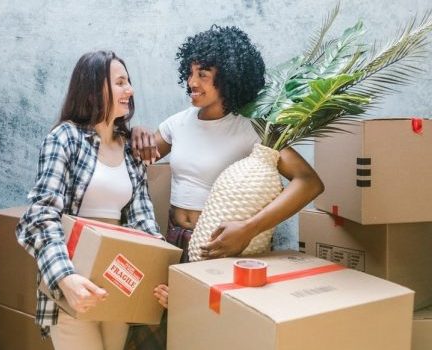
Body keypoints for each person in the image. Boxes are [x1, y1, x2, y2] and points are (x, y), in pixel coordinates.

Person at [126, 25, 325, 349]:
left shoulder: (250, 129)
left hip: (220, 247)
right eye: (190, 73)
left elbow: (309, 182)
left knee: (207, 335)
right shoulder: (178, 123)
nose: (192, 82)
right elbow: (137, 159)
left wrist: (248, 229)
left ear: (230, 77)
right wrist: (138, 132)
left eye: (203, 74)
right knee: (156, 334)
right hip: (174, 240)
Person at [16, 50, 162, 350]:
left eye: (128, 81)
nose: (130, 90)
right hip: (73, 282)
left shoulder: (130, 149)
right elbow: (40, 217)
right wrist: (66, 280)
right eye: (120, 82)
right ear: (95, 88)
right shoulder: (65, 139)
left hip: (119, 282)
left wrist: (157, 276)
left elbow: (143, 221)